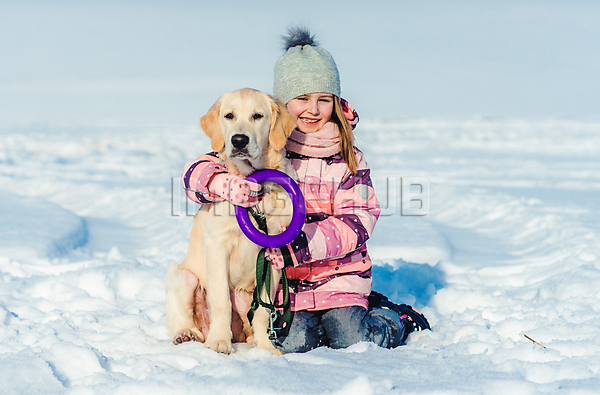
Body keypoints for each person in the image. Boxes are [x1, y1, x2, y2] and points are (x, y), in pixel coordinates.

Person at [182, 27, 430, 353]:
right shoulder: (269, 152)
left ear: (336, 103)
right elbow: (199, 170)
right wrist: (222, 184)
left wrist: (298, 245)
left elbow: (358, 219)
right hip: (293, 288)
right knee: (294, 342)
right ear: (284, 108)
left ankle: (395, 319)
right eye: (301, 99)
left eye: (323, 100)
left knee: (350, 338)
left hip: (339, 278)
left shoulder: (348, 159)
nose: (312, 109)